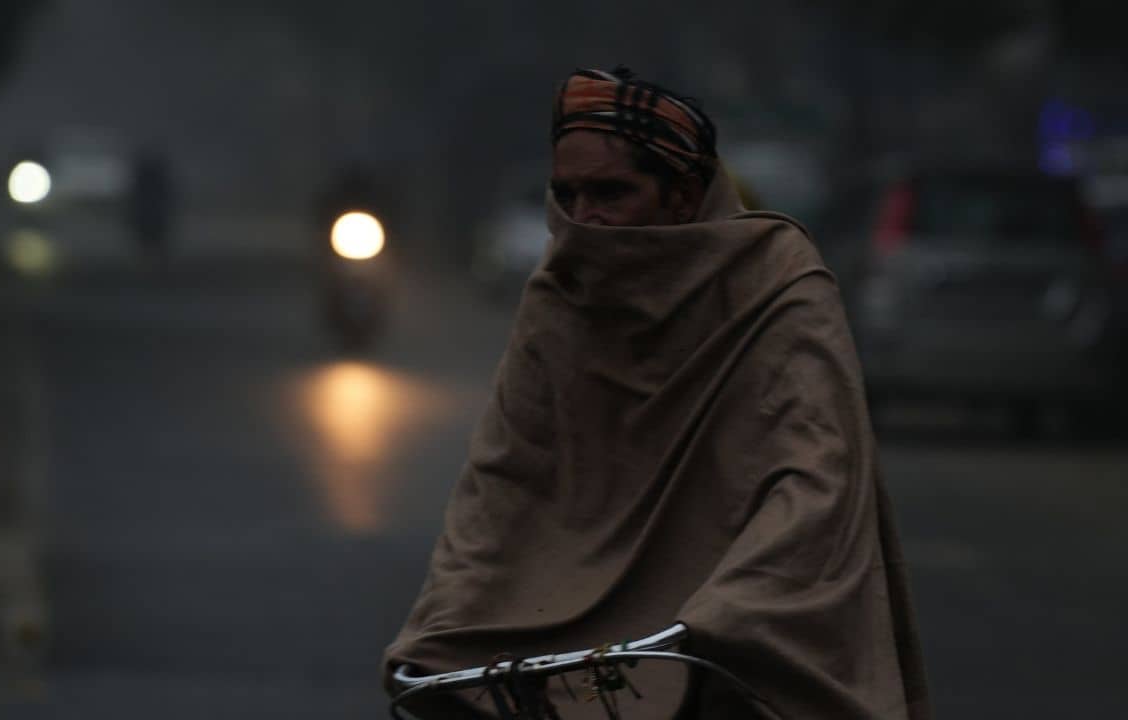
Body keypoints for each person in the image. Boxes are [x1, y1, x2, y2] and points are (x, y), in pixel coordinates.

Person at [384, 66, 929, 719]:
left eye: (611, 192)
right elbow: (503, 479)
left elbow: (817, 480)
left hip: (731, 637)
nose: (585, 219)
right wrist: (446, 613)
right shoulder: (562, 295)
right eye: (568, 195)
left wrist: (738, 608)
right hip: (578, 650)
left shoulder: (776, 284)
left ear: (683, 196)